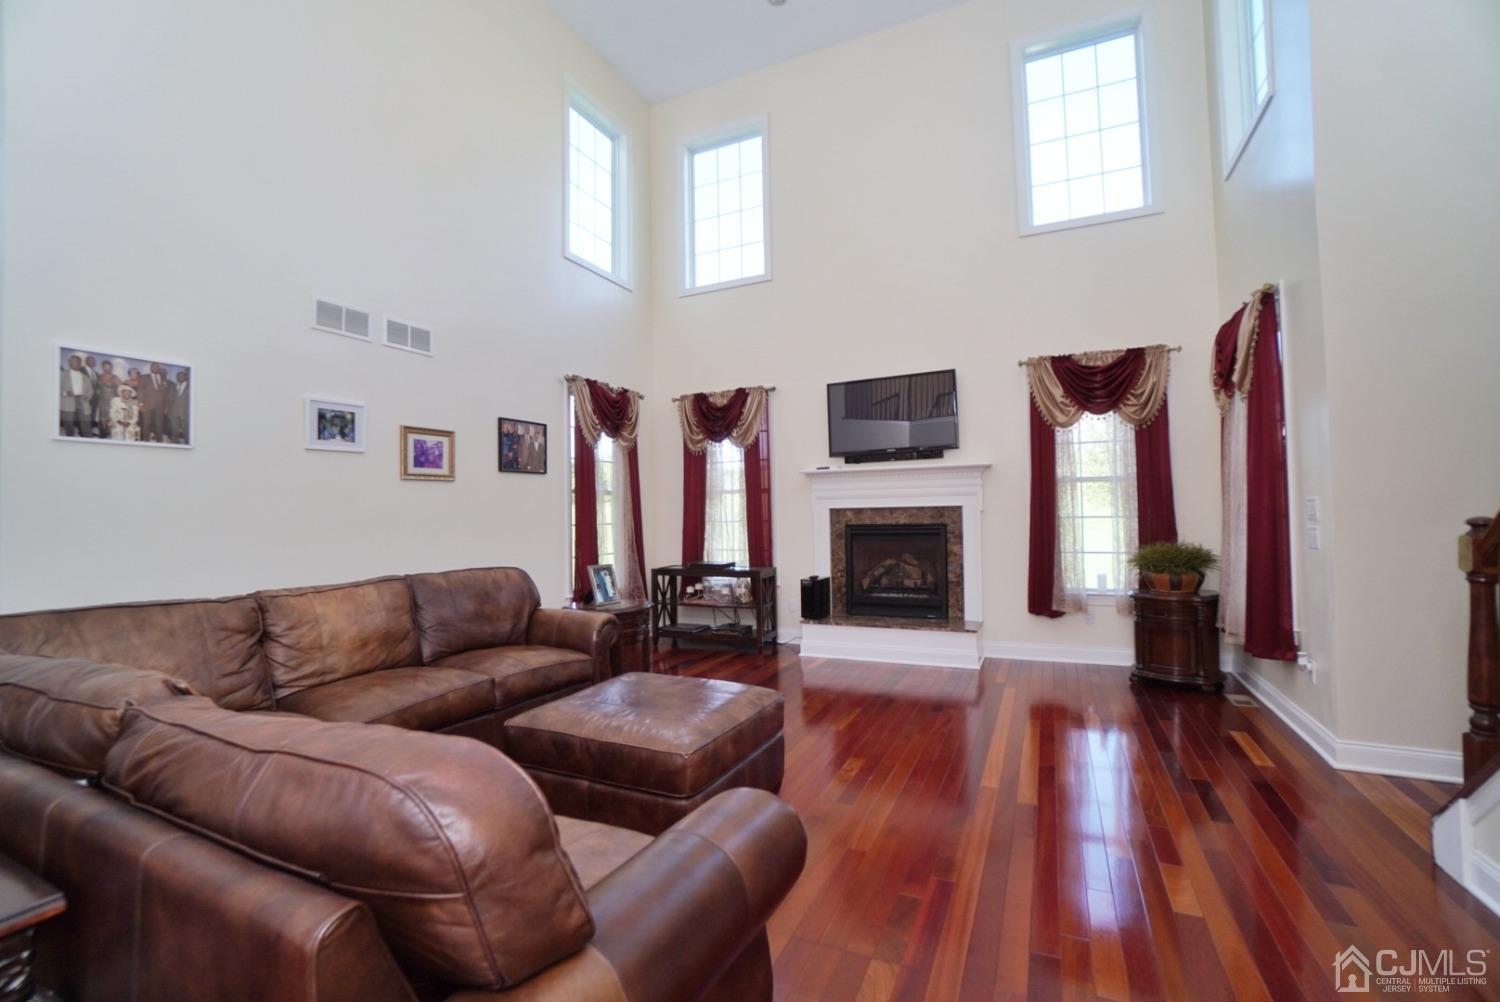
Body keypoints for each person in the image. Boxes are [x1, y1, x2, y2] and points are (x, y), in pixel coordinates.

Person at [58, 354, 94, 437]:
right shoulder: (62, 374)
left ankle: (87, 437)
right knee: (69, 421)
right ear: (69, 362)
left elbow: (90, 390)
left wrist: (89, 395)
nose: (77, 363)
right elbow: (56, 388)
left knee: (86, 420)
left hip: (83, 400)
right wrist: (65, 393)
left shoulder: (85, 377)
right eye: (74, 361)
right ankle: (70, 438)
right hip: (68, 400)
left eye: (79, 362)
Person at [138, 362, 170, 443]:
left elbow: (166, 394)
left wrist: (166, 407)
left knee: (159, 424)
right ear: (150, 368)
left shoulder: (163, 379)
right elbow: (140, 391)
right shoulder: (144, 377)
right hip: (147, 405)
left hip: (160, 406)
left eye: (157, 367)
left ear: (159, 368)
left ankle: (159, 441)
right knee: (146, 424)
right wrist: (141, 404)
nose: (155, 368)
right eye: (153, 366)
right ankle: (146, 441)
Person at [93, 360, 119, 439]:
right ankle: (103, 434)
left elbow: (121, 388)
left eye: (108, 367)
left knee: (111, 418)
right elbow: (97, 387)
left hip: (112, 401)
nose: (107, 369)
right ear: (102, 367)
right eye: (105, 367)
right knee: (102, 418)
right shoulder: (100, 376)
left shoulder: (115, 377)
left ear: (111, 367)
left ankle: (111, 434)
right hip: (102, 401)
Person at [168, 369, 190, 443]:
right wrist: (169, 410)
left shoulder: (190, 386)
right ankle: (175, 443)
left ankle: (187, 443)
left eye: (182, 376)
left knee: (186, 431)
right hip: (174, 413)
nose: (180, 377)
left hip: (185, 413)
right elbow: (170, 399)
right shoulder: (173, 386)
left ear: (185, 377)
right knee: (174, 431)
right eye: (178, 376)